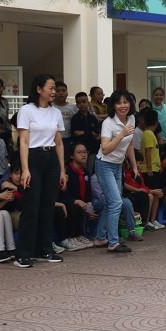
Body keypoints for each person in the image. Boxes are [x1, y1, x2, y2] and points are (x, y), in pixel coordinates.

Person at [14, 74, 67, 268]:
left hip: (51, 159)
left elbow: (59, 143)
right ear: (39, 89)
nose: (54, 92)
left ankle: (45, 249)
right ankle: (23, 253)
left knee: (48, 206)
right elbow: (24, 141)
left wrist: (62, 170)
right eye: (51, 88)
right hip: (33, 159)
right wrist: (25, 169)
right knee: (32, 207)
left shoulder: (56, 113)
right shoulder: (26, 110)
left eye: (55, 88)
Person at [93, 89, 139, 254]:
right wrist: (121, 134)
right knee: (116, 203)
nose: (122, 106)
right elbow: (105, 149)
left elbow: (130, 144)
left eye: (125, 102)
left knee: (111, 202)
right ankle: (113, 242)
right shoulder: (108, 123)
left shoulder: (132, 118)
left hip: (118, 165)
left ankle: (100, 238)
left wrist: (134, 166)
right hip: (104, 164)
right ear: (113, 105)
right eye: (118, 103)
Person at [59, 142, 95, 251]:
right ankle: (72, 237)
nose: (83, 155)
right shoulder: (66, 172)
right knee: (75, 207)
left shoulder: (85, 171)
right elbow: (63, 195)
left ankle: (87, 235)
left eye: (85, 152)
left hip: (82, 204)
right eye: (79, 152)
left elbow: (88, 194)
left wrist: (89, 205)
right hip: (66, 202)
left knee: (99, 207)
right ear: (71, 155)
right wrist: (76, 201)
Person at [52, 81, 78, 149]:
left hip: (68, 139)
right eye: (58, 91)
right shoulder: (50, 106)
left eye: (63, 91)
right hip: (53, 139)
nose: (61, 93)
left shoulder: (73, 107)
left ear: (67, 93)